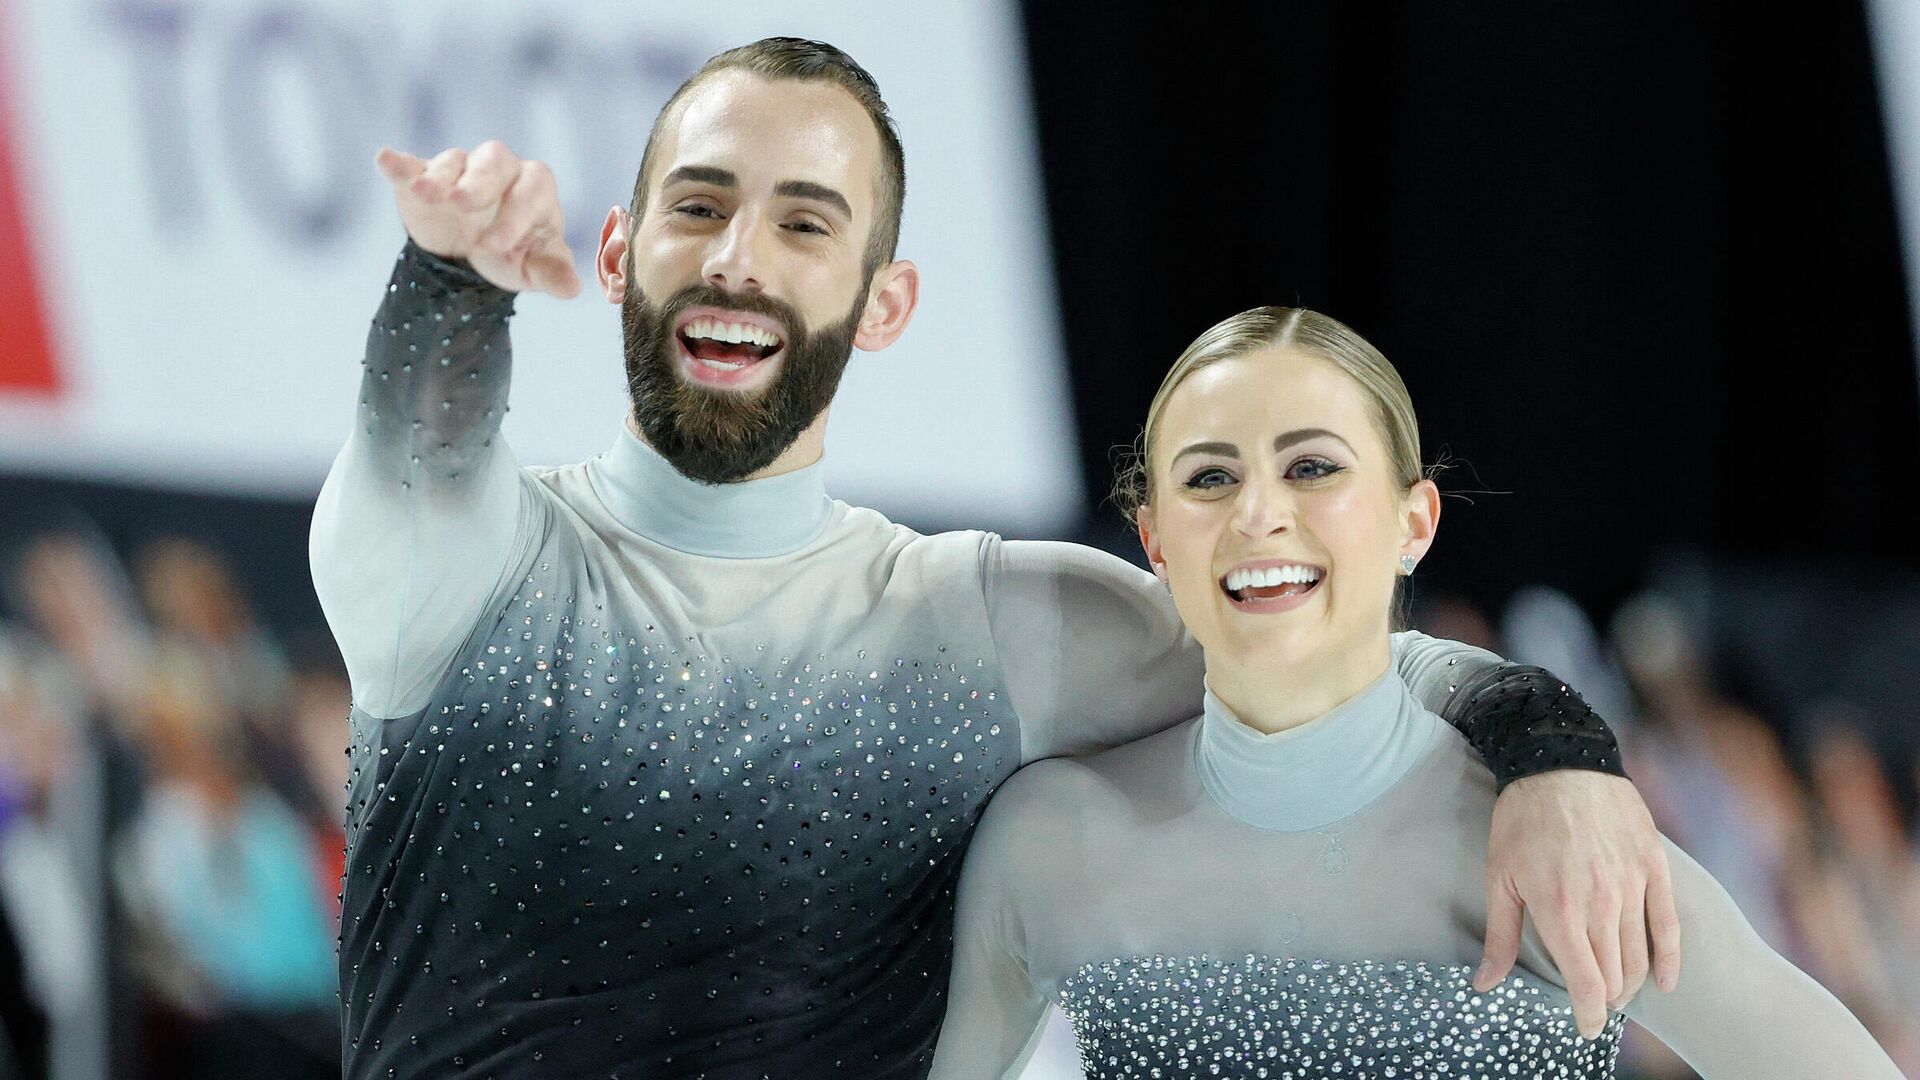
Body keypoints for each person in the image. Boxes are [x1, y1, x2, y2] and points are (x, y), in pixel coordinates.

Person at [311, 38, 1675, 1078]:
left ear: (884, 302)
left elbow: (1326, 665)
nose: (738, 259)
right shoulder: (471, 567)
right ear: (619, 253)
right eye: (699, 207)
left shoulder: (985, 630)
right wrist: (451, 276)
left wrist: (1549, 746)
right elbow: (421, 442)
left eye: (804, 223)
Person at [928, 307, 1902, 1078]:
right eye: (1211, 477)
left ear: (1413, 521)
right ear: (1155, 542)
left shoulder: (1555, 845)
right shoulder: (1051, 841)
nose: (1260, 513)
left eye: (1312, 467)